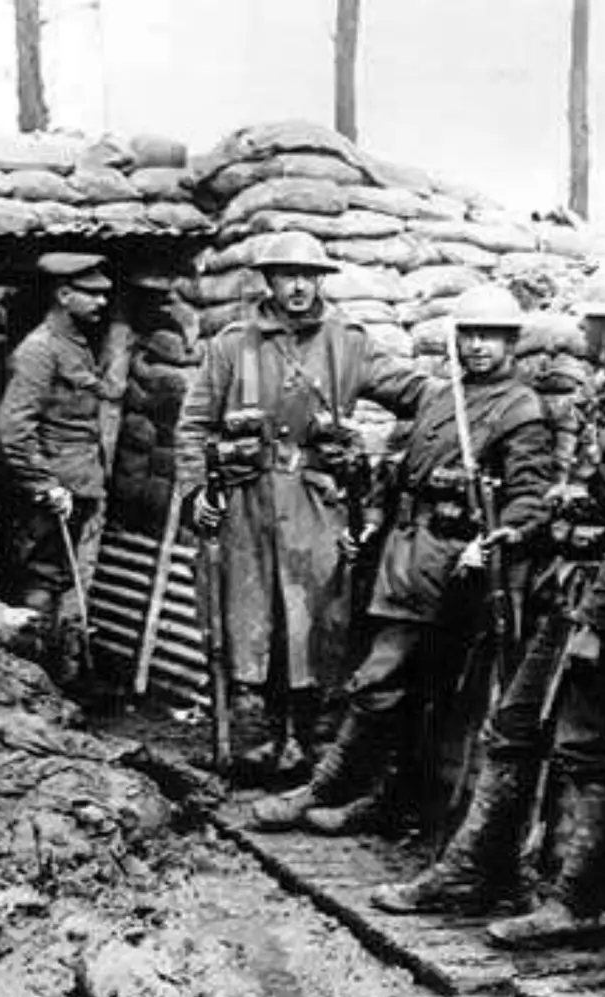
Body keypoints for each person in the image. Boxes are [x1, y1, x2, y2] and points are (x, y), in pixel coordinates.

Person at [371, 262, 605, 930]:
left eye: (592, 323)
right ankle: (471, 872)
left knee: (592, 751)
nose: (581, 333)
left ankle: (581, 902)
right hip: (578, 595)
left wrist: (597, 621)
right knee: (514, 728)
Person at [249, 284, 555, 835]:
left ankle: (329, 786)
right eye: (469, 336)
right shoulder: (445, 397)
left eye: (491, 336)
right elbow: (399, 461)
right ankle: (389, 800)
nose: (479, 347)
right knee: (407, 690)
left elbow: (529, 492)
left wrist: (502, 535)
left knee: (381, 678)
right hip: (400, 555)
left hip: (449, 566)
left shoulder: (520, 409)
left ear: (513, 343)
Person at [173, 231, 424, 781]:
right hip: (249, 504)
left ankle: (307, 742)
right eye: (288, 276)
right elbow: (192, 426)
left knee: (315, 624)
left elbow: (408, 391)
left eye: (309, 276)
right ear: (269, 281)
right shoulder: (231, 346)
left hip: (317, 504)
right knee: (254, 620)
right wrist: (197, 494)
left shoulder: (347, 343)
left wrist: (464, 397)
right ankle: (264, 737)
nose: (300, 287)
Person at [0, 252, 118, 680]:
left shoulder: (75, 345)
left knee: (57, 578)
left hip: (78, 483)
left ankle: (52, 675)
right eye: (92, 294)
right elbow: (12, 427)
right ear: (65, 295)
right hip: (53, 492)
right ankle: (33, 680)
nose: (102, 302)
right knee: (40, 581)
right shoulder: (40, 350)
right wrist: (45, 483)